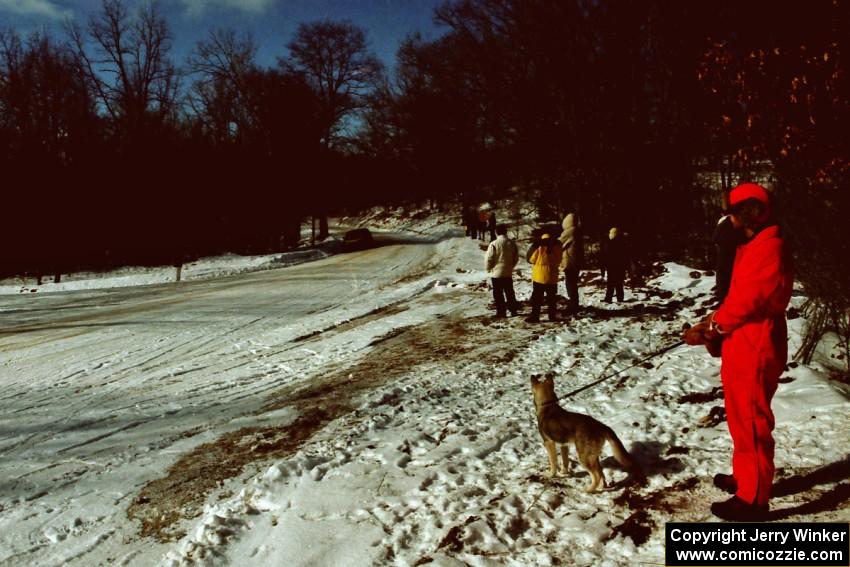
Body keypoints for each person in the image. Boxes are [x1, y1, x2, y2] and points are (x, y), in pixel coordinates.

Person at [682, 182, 793, 521]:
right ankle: (746, 477)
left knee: (752, 420)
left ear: (746, 215)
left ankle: (754, 499)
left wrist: (714, 328)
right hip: (741, 341)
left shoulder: (769, 247)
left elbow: (747, 302)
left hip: (756, 342)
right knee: (739, 416)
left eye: (730, 214)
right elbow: (733, 298)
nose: (727, 221)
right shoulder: (753, 244)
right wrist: (710, 323)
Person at [485, 224, 520, 317]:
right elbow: (516, 257)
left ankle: (501, 312)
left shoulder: (494, 244)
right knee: (510, 292)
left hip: (496, 272)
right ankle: (513, 310)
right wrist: (511, 266)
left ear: (496, 232)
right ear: (506, 232)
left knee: (498, 293)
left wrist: (488, 268)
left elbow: (489, 258)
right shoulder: (512, 243)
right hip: (507, 272)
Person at [526, 232, 563, 323]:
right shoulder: (558, 247)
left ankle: (535, 316)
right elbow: (559, 259)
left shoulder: (539, 247)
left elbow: (531, 259)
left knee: (537, 298)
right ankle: (552, 316)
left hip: (539, 276)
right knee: (552, 298)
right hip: (552, 276)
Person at [713, 213, 742, 304]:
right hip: (728, 258)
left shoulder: (725, 222)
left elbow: (715, 239)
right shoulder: (727, 224)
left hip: (727, 259)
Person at [558, 213, 583, 313]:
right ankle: (574, 303)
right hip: (575, 261)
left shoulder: (570, 231)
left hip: (570, 261)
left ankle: (573, 305)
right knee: (572, 283)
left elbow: (559, 243)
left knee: (570, 283)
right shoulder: (577, 231)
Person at [602, 227, 628, 303]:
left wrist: (603, 269)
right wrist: (627, 268)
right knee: (619, 284)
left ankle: (608, 298)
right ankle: (620, 298)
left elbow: (605, 258)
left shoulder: (608, 244)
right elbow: (626, 258)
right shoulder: (623, 244)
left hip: (611, 267)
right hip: (620, 267)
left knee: (610, 284)